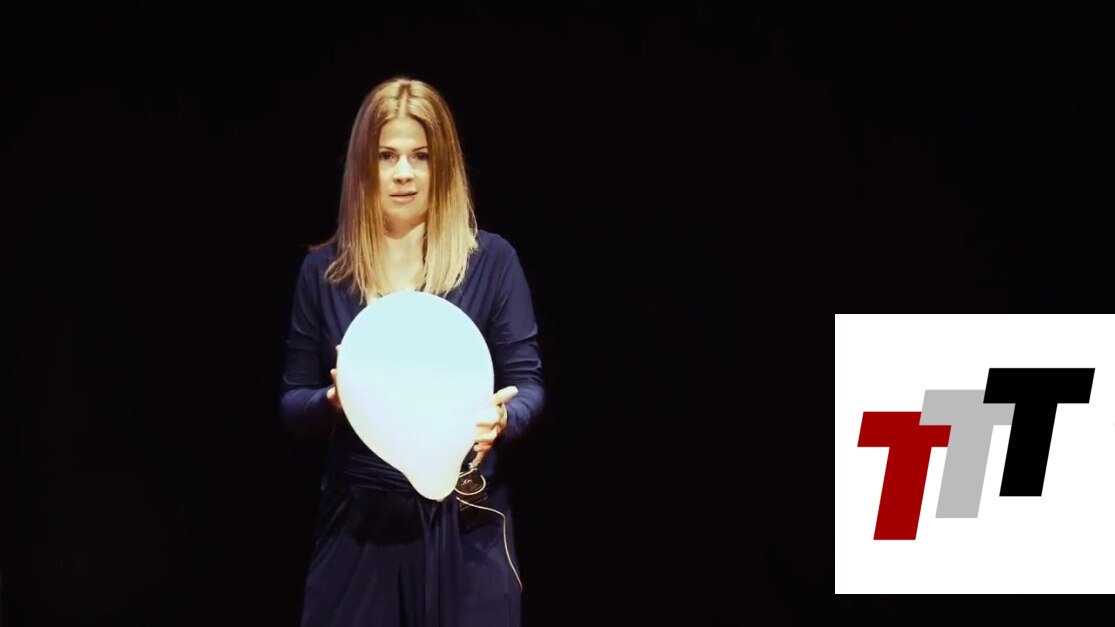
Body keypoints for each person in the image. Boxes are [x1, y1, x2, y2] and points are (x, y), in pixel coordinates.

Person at [279, 76, 545, 627]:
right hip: (359, 526)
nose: (403, 172)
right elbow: (292, 401)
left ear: (442, 165)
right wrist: (331, 399)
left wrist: (505, 418)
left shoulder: (490, 261)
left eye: (420, 156)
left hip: (466, 525)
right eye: (387, 156)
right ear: (363, 166)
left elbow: (528, 384)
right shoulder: (325, 273)